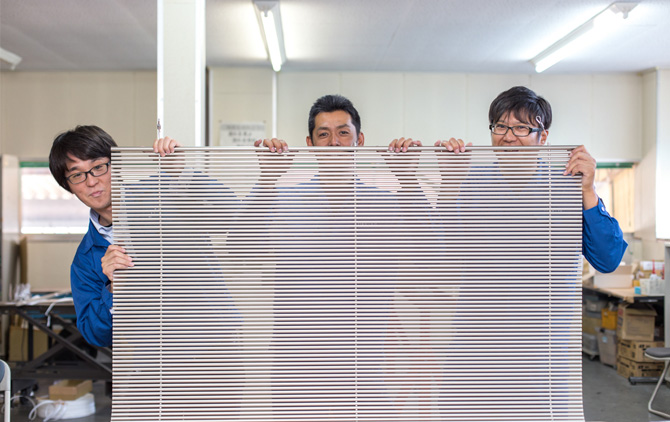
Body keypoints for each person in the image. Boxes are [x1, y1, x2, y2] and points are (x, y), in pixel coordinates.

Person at [434, 85, 627, 273]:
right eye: (500, 126)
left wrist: (588, 191)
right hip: (483, 296)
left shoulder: (567, 188)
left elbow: (607, 260)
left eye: (521, 128)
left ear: (542, 137)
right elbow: (441, 254)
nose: (508, 137)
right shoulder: (468, 183)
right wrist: (450, 183)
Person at [49, 126, 181, 347]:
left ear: (116, 165)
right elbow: (96, 335)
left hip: (216, 341)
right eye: (77, 175)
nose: (91, 182)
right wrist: (113, 287)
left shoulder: (164, 192)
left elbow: (234, 217)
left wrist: (183, 174)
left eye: (98, 167)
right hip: (154, 355)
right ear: (68, 187)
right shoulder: (85, 261)